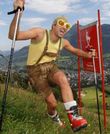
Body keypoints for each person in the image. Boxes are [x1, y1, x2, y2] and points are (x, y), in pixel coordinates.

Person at [8, 0, 95, 132]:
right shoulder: (40, 33)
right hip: (35, 71)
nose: (64, 27)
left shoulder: (63, 42)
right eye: (61, 23)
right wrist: (17, 14)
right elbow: (13, 36)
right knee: (52, 104)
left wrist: (88, 55)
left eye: (67, 26)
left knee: (62, 78)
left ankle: (74, 117)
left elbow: (75, 51)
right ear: (53, 25)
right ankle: (53, 117)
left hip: (50, 67)